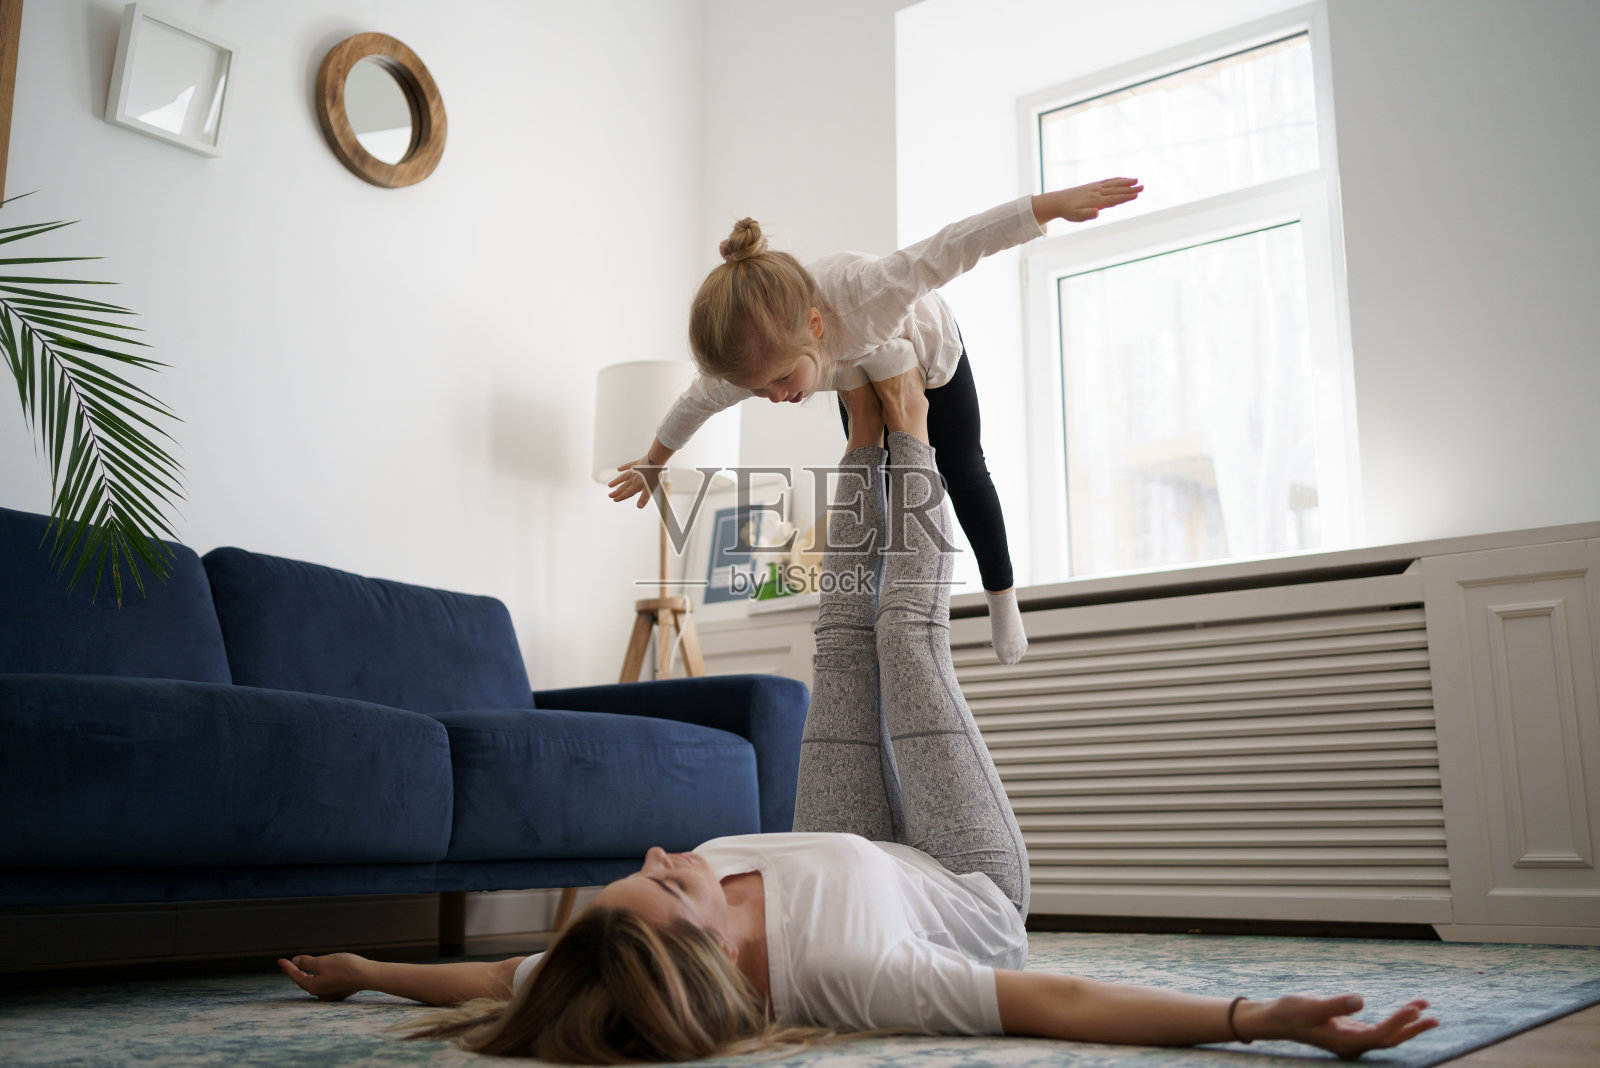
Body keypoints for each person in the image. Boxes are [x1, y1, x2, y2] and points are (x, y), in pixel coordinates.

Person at [280, 375, 1439, 1062]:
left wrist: (363, 968)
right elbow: (1057, 1000)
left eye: (639, 877)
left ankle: (858, 446)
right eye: (670, 888)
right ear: (715, 956)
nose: (661, 856)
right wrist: (1254, 1016)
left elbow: (504, 983)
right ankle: (912, 432)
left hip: (846, 848)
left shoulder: (628, 946)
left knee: (835, 640)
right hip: (959, 884)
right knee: (903, 640)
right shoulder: (849, 972)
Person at [605, 178, 1146, 666]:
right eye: (758, 390)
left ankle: (1002, 597)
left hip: (927, 349)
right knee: (878, 487)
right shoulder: (760, 360)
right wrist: (653, 463)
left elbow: (954, 245)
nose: (775, 398)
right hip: (850, 365)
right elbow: (695, 403)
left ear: (814, 325)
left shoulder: (870, 293)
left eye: (781, 380)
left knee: (963, 469)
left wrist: (1051, 206)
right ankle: (888, 597)